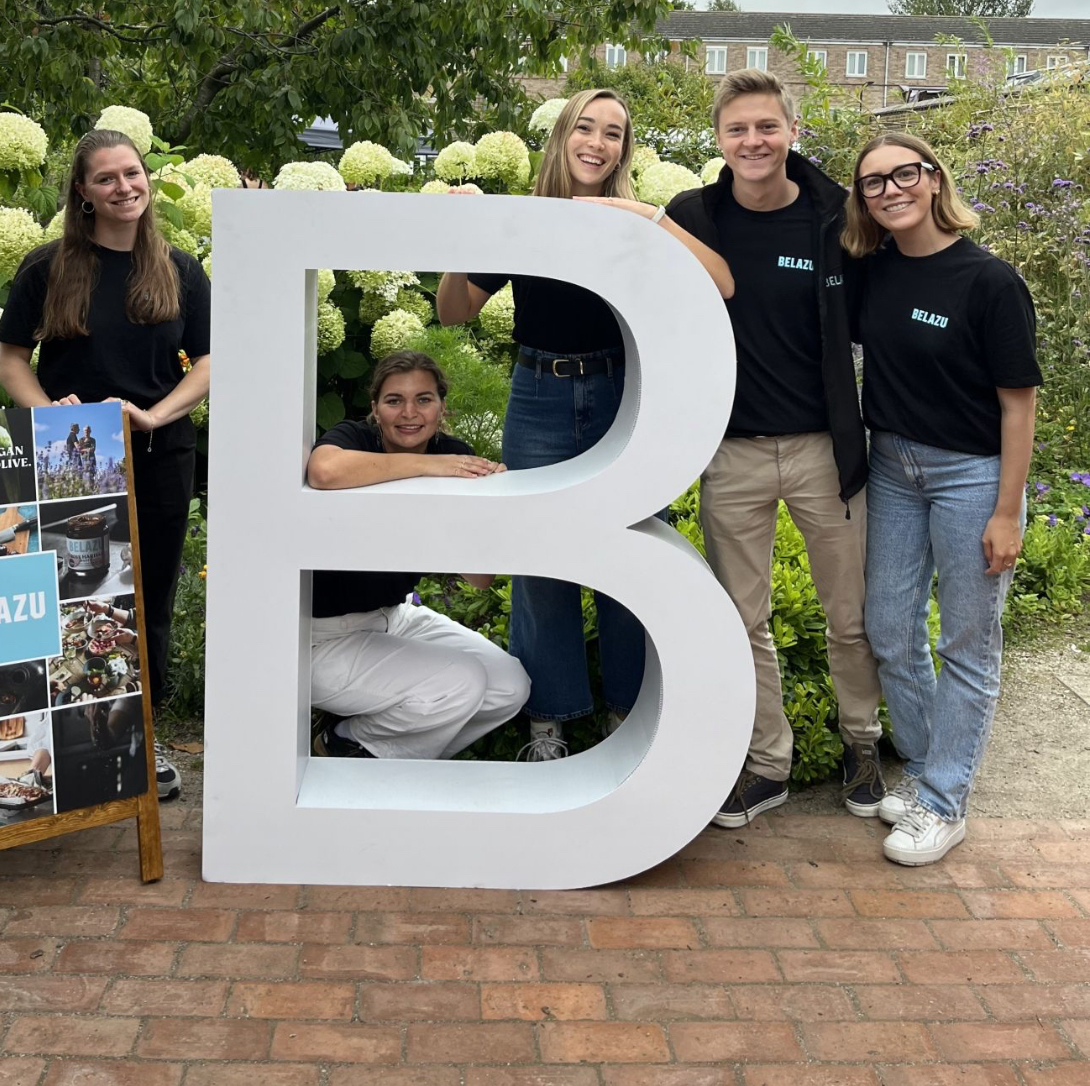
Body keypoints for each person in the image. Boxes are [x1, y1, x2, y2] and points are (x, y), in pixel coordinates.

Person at [438, 89, 733, 760]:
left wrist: (646, 216)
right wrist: (464, 242)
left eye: (613, 134)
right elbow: (454, 310)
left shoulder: (632, 224)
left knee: (632, 554)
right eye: (587, 128)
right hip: (538, 395)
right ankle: (550, 724)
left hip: (622, 395)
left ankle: (627, 714)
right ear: (563, 136)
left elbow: (711, 287)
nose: (598, 143)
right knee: (540, 560)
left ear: (624, 149)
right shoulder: (523, 220)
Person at [663, 69, 886, 827]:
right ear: (719, 140)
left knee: (849, 615)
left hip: (826, 449)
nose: (752, 141)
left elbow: (878, 315)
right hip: (733, 451)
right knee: (742, 618)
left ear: (792, 130)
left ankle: (863, 744)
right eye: (737, 130)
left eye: (766, 126)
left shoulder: (837, 218)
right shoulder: (693, 214)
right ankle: (768, 763)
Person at [0, 128, 211, 800]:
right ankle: (67, 749)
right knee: (74, 609)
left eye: (133, 173)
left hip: (158, 456)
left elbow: (210, 363)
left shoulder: (179, 268)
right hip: (75, 467)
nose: (125, 187)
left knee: (147, 607)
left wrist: (157, 412)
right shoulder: (48, 268)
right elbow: (10, 360)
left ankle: (138, 746)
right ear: (83, 193)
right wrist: (49, 416)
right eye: (107, 178)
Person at [844, 132, 1041, 865]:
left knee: (967, 641)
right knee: (890, 629)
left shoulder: (989, 282)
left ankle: (945, 801)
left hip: (971, 476)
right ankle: (931, 777)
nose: (891, 189)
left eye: (904, 174)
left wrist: (1005, 510)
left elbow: (1018, 405)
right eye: (873, 182)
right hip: (892, 465)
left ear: (933, 179)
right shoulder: (874, 273)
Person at [305, 350, 532, 759]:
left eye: (423, 399)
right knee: (459, 684)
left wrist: (488, 506)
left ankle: (359, 743)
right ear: (375, 408)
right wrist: (426, 468)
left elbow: (479, 579)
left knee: (507, 686)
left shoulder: (452, 453)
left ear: (442, 406)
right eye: (394, 400)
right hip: (320, 637)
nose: (409, 413)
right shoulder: (355, 438)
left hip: (392, 616)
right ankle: (350, 752)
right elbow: (324, 471)